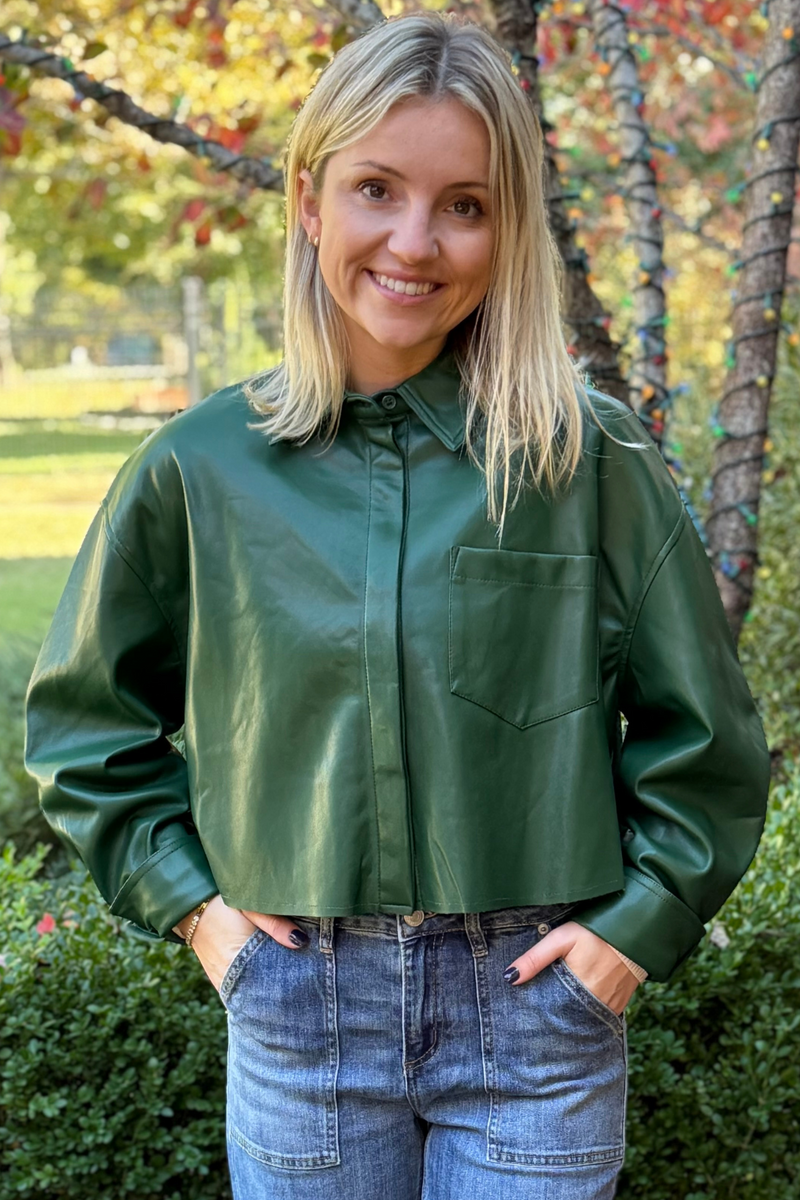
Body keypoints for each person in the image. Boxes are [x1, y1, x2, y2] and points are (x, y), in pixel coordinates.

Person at [25, 12, 771, 1200]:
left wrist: (634, 930)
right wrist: (201, 920)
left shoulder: (586, 461)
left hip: (532, 1023)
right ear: (311, 201)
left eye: (464, 204)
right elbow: (82, 728)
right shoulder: (198, 468)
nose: (414, 243)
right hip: (297, 1013)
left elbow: (707, 741)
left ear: (505, 226)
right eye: (377, 188)